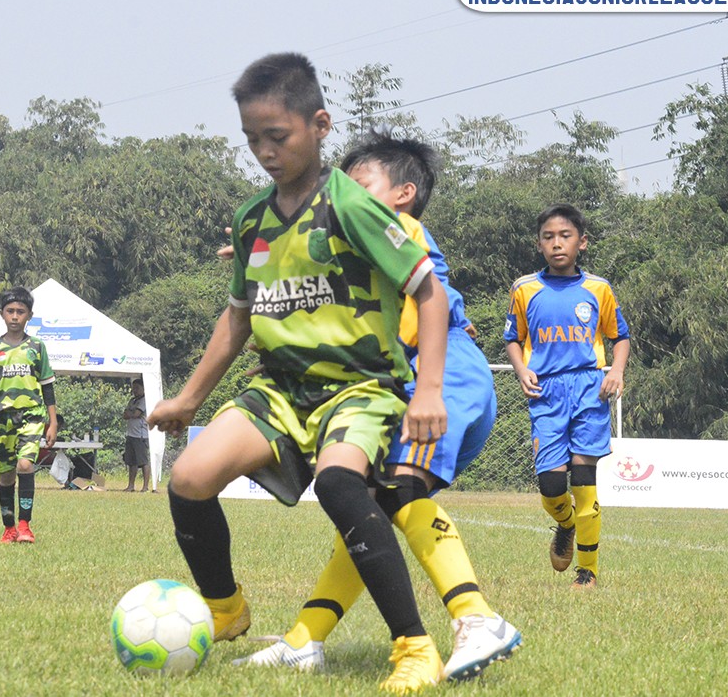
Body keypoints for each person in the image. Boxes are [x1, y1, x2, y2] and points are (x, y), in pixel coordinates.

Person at [147, 52, 451, 694]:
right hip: (280, 390)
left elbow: (431, 294)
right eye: (252, 139)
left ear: (320, 126)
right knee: (189, 477)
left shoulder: (353, 206)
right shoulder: (252, 219)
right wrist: (188, 400)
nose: (264, 151)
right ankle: (227, 611)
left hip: (359, 387)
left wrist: (426, 392)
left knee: (342, 488)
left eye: (276, 137)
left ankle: (416, 648)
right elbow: (237, 318)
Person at [235, 129, 521, 681]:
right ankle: (305, 638)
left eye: (357, 182)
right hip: (428, 375)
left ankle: (476, 616)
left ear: (403, 195)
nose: (337, 193)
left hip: (444, 375)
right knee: (370, 506)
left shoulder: (401, 231)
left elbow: (413, 313)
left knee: (397, 486)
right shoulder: (354, 239)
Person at [504, 203, 630, 588]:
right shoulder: (524, 288)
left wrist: (617, 372)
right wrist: (522, 369)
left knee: (583, 479)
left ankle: (587, 572)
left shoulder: (598, 288)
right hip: (546, 393)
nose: (557, 243)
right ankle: (565, 523)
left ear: (582, 242)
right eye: (548, 237)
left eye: (565, 236)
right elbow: (513, 338)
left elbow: (619, 337)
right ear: (539, 244)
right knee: (551, 486)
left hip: (589, 390)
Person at [0, 286, 58, 544]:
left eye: (20, 312)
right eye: (10, 311)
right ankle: (9, 527)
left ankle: (25, 525)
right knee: (6, 475)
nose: (14, 316)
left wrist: (52, 421)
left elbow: (48, 386)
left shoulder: (36, 347)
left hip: (31, 417)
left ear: (29, 315)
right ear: (2, 314)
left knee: (25, 465)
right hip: (0, 420)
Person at [122, 378, 153, 492]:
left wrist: (132, 414)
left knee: (143, 461)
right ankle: (131, 486)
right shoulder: (132, 400)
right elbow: (125, 415)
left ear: (143, 388)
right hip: (130, 434)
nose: (134, 390)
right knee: (131, 462)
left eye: (137, 388)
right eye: (133, 388)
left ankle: (145, 487)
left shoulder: (145, 400)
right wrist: (132, 414)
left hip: (141, 436)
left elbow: (136, 414)